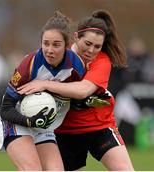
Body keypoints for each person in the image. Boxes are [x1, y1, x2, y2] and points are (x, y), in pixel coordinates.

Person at [17, 10, 134, 171]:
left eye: (97, 46)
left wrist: (44, 84)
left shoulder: (102, 61)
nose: (91, 50)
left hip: (99, 128)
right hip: (64, 132)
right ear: (76, 37)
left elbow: (83, 90)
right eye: (88, 44)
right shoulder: (60, 55)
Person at [0, 11, 87, 171]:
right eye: (46, 43)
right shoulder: (29, 65)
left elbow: (81, 95)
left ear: (67, 46)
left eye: (56, 44)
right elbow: (5, 109)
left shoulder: (77, 66)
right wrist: (30, 121)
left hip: (43, 127)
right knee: (33, 169)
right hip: (16, 121)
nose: (49, 50)